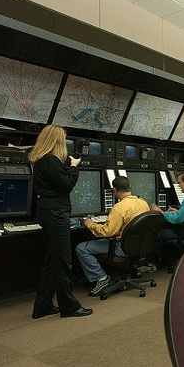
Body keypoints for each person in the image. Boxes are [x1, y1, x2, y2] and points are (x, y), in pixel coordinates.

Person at [28, 124, 92, 319]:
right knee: (63, 260)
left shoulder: (45, 161)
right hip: (55, 213)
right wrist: (73, 167)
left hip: (49, 211)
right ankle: (69, 307)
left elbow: (58, 181)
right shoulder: (49, 160)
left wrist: (67, 167)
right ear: (56, 141)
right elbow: (66, 184)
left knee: (52, 260)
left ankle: (43, 306)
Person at [76, 176, 150, 296]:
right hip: (140, 247)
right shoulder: (143, 203)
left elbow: (108, 232)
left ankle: (101, 278)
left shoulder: (119, 208)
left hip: (122, 248)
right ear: (129, 188)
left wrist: (90, 224)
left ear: (115, 190)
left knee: (81, 248)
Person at [142, 171, 184, 271]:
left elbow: (178, 220)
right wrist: (179, 211)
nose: (179, 186)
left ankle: (149, 265)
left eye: (180, 183)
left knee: (156, 233)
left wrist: (161, 212)